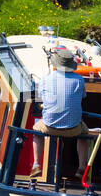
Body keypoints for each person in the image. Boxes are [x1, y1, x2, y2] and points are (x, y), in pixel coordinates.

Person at [31, 48, 90, 181]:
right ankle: (81, 168)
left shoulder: (46, 79)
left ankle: (36, 164)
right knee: (84, 134)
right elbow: (83, 97)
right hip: (73, 129)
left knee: (36, 130)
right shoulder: (79, 80)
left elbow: (42, 98)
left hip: (49, 127)